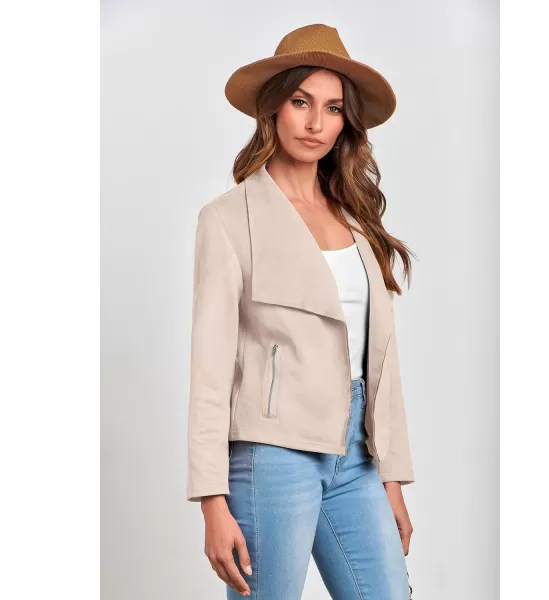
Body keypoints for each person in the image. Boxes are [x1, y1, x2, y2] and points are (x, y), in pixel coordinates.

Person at [187, 23, 416, 600]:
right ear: (273, 108)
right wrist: (211, 499)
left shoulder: (356, 221)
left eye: (333, 108)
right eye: (300, 102)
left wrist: (391, 475)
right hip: (272, 455)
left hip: (358, 455)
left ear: (345, 122)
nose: (316, 123)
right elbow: (211, 370)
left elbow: (380, 359)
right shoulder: (228, 219)